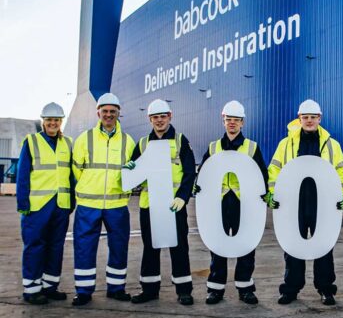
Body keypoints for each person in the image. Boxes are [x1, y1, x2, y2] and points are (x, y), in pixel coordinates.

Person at [266, 99, 343, 306]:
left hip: (322, 204)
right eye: (306, 117)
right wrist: (273, 193)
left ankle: (326, 289)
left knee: (324, 246)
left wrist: (342, 194)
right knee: (293, 246)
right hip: (294, 203)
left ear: (320, 119)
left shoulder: (332, 145)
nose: (309, 121)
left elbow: (342, 171)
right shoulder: (286, 144)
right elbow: (275, 169)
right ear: (299, 119)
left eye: (313, 117)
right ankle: (291, 289)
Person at [124, 99, 196, 305]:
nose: (159, 121)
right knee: (150, 248)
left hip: (175, 206)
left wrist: (182, 197)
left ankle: (184, 290)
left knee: (180, 247)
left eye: (163, 116)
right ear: (149, 119)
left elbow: (189, 172)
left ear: (170, 116)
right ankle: (149, 290)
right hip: (150, 206)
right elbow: (134, 172)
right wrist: (129, 168)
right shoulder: (143, 144)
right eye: (155, 117)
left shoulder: (181, 141)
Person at [195, 100, 268, 305]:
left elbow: (262, 174)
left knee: (246, 246)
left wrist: (264, 196)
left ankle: (245, 288)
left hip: (244, 204)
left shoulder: (252, 147)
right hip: (219, 204)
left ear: (243, 123)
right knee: (218, 246)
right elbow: (203, 174)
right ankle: (215, 289)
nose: (232, 123)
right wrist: (197, 186)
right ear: (223, 121)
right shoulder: (213, 147)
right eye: (229, 120)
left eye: (236, 120)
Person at [71, 93, 135, 306]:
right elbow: (76, 170)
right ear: (98, 112)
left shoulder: (128, 141)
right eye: (105, 111)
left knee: (119, 247)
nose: (108, 115)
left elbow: (131, 172)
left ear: (119, 114)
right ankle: (83, 291)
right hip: (88, 204)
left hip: (117, 205)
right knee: (84, 247)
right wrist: (91, 187)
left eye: (113, 111)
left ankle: (116, 288)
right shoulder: (84, 139)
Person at [16, 102, 74, 304]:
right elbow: (22, 175)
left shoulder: (67, 143)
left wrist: (71, 202)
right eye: (49, 120)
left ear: (61, 122)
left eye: (56, 120)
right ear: (43, 121)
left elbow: (71, 176)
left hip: (61, 205)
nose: (53, 123)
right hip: (37, 206)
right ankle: (32, 289)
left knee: (56, 246)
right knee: (35, 246)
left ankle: (50, 286)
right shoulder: (31, 141)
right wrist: (23, 203)